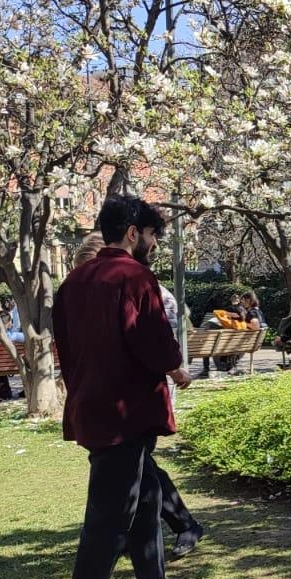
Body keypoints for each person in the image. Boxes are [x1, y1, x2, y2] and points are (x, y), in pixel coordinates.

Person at [52, 195, 204, 579]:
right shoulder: (133, 275)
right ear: (133, 232)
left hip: (93, 405)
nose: (156, 243)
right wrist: (177, 369)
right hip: (124, 408)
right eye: (154, 235)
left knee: (147, 493)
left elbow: (66, 344)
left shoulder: (74, 280)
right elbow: (151, 338)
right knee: (111, 510)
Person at [72, 233, 205, 559]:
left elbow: (156, 342)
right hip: (110, 395)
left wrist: (175, 371)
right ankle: (172, 528)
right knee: (136, 466)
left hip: (142, 394)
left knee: (135, 464)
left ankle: (151, 535)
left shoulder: (144, 289)